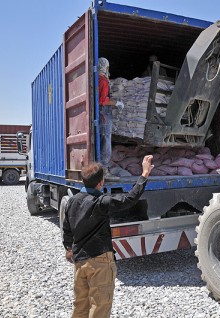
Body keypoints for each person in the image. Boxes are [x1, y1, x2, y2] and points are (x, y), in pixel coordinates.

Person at [63, 155, 153, 318]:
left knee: (80, 307)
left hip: (79, 262)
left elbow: (66, 229)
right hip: (100, 262)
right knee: (100, 307)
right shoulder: (101, 202)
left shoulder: (72, 201)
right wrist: (144, 173)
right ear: (101, 182)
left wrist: (69, 249)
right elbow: (130, 199)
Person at [98, 57, 124, 180]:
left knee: (102, 140)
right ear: (106, 67)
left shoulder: (95, 79)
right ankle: (104, 170)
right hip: (104, 115)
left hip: (100, 114)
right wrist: (116, 103)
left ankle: (100, 169)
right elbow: (103, 101)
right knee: (106, 139)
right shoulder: (103, 81)